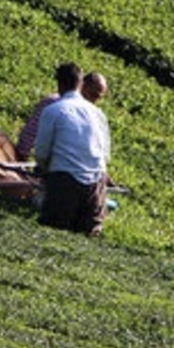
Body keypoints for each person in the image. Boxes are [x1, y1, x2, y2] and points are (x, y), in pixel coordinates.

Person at [33, 63, 111, 237]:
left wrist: (43, 170)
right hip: (95, 190)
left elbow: (41, 153)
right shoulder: (98, 114)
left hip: (65, 185)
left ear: (59, 85)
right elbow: (105, 156)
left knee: (53, 232)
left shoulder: (53, 110)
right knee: (87, 236)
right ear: (81, 84)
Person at [15, 71, 108, 161]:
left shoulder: (94, 115)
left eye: (98, 98)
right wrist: (22, 156)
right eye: (93, 95)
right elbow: (30, 133)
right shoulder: (53, 103)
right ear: (82, 86)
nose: (94, 101)